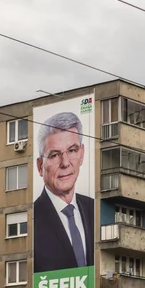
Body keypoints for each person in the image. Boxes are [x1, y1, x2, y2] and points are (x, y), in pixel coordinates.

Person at [33, 111, 94, 273]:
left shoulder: (94, 208)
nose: (65, 163)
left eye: (72, 151)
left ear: (81, 154)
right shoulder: (31, 219)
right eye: (54, 155)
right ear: (40, 166)